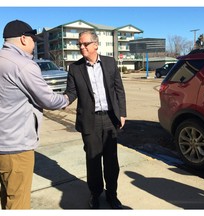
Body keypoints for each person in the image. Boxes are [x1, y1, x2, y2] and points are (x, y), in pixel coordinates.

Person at [0, 19, 69, 209]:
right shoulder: (23, 65)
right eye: (34, 40)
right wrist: (67, 99)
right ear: (24, 39)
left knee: (9, 193)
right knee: (18, 201)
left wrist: (0, 105)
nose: (35, 45)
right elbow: (48, 100)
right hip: (15, 146)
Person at [65, 30, 127, 209]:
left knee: (111, 161)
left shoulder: (109, 63)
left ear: (95, 45)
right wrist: (62, 100)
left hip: (109, 119)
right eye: (79, 44)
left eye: (85, 44)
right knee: (93, 161)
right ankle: (95, 194)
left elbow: (119, 90)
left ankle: (112, 194)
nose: (81, 47)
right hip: (89, 121)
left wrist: (122, 113)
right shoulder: (75, 68)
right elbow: (71, 92)